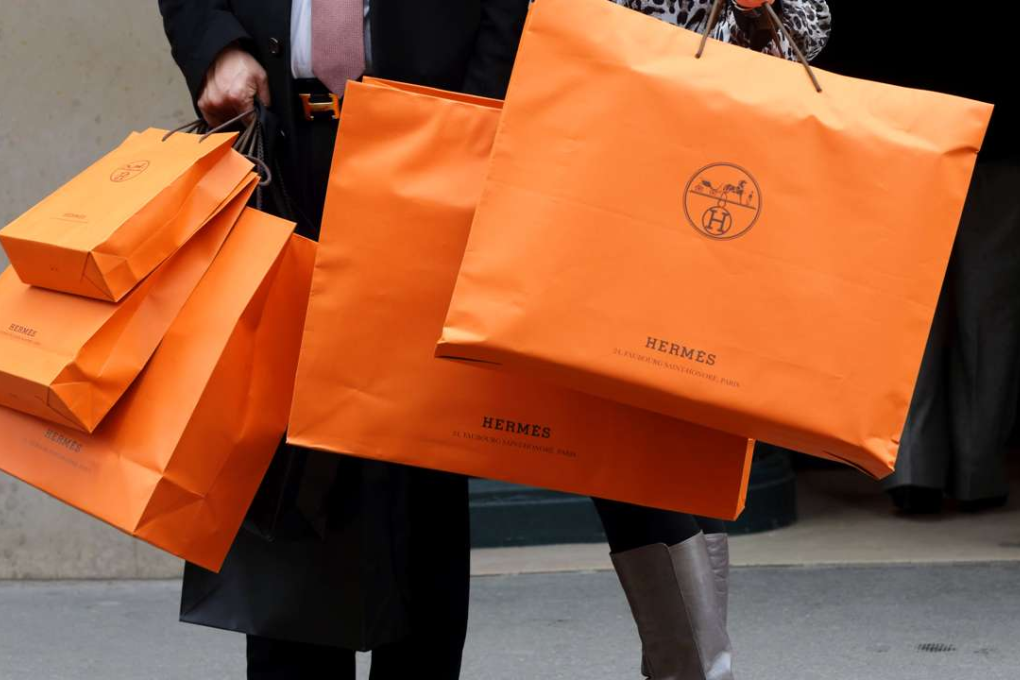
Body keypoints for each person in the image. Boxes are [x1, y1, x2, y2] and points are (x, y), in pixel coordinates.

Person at [158, 2, 531, 679]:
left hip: (436, 138)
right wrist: (216, 47)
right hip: (278, 142)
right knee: (285, 450)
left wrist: (477, 118)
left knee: (419, 464)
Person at [602, 2, 831, 678]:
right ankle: (698, 668)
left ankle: (696, 668)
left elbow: (808, 29)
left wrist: (758, 9)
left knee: (685, 444)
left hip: (718, 191)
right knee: (621, 446)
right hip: (610, 180)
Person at [814, 1, 1020, 515]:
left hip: (899, 121)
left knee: (904, 308)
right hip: (985, 125)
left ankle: (911, 468)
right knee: (988, 312)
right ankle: (975, 471)